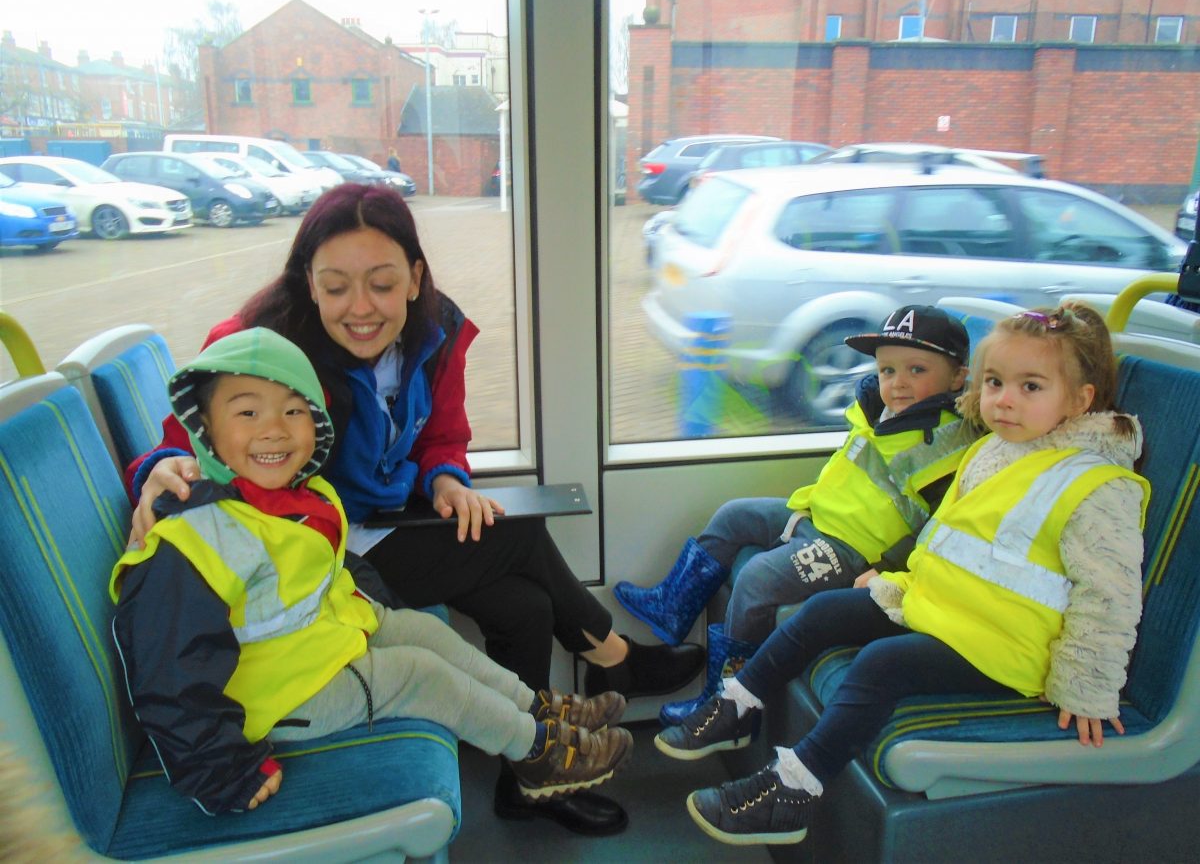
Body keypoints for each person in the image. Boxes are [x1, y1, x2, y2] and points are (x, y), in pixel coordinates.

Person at [123, 183, 702, 834]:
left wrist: (448, 482)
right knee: (518, 538)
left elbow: (442, 436)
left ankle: (532, 779)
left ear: (415, 278)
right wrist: (156, 472)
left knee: (525, 605)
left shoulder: (435, 333)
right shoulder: (256, 348)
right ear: (307, 283)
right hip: (318, 561)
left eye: (382, 283)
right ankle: (612, 659)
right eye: (336, 286)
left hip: (376, 528)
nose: (361, 307)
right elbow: (184, 449)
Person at [655, 301, 1149, 847]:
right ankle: (736, 706)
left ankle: (792, 792)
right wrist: (898, 585)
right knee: (822, 612)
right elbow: (947, 547)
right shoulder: (992, 451)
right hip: (943, 610)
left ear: (1080, 401)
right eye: (994, 383)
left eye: (1030, 387)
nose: (1004, 400)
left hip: (1002, 645)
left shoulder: (1098, 485)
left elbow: (1110, 595)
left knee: (882, 664)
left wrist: (1087, 689)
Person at [110, 327, 634, 814]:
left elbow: (330, 572)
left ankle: (536, 710)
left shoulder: (302, 496)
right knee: (418, 675)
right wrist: (222, 771)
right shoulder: (197, 537)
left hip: (321, 641)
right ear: (205, 428)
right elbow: (168, 667)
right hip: (279, 695)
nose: (274, 430)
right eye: (247, 414)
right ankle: (534, 756)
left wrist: (380, 615)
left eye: (294, 412)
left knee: (425, 630)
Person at [615, 305, 978, 724]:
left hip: (851, 549)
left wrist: (888, 569)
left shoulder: (948, 449)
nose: (897, 384)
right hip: (814, 514)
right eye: (887, 371)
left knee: (757, 579)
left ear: (957, 377)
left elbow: (937, 526)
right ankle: (672, 607)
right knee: (733, 514)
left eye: (917, 370)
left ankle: (730, 707)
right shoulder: (880, 412)